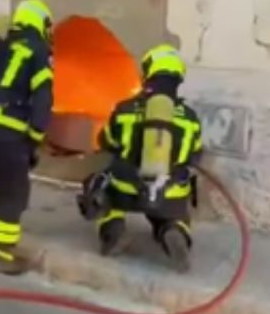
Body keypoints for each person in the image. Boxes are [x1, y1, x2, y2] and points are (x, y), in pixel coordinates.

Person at [76, 44, 202, 273]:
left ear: (148, 73)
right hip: (170, 191)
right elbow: (195, 153)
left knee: (98, 184)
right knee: (175, 213)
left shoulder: (125, 109)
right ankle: (174, 229)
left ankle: (113, 229)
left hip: (126, 187)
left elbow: (107, 141)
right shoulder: (190, 118)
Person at [0, 0, 54, 276]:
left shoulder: (0, 42)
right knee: (13, 192)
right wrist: (36, 135)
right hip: (6, 128)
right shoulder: (38, 50)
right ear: (40, 22)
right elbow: (42, 96)